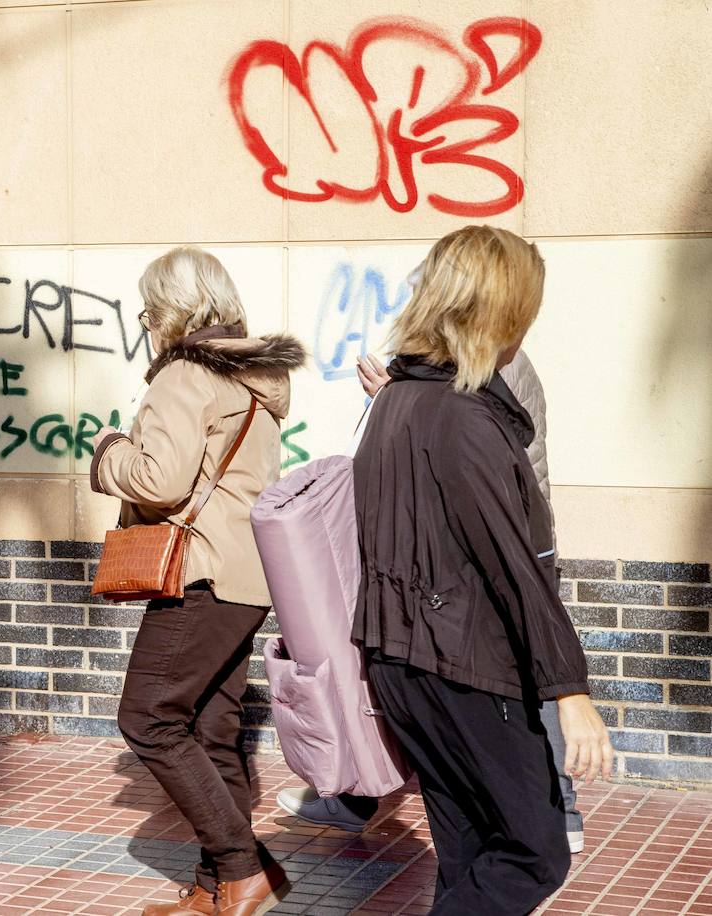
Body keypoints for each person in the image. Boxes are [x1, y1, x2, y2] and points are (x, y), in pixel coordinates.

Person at [349, 226, 612, 914]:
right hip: (463, 667)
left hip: (404, 659)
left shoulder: (396, 400)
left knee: (468, 850)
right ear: (498, 313)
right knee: (534, 852)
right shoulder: (464, 417)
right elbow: (514, 568)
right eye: (523, 310)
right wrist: (570, 692)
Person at [278, 348, 587, 854]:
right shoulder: (465, 367)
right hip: (488, 544)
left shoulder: (482, 363)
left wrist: (396, 398)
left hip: (489, 546)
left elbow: (470, 451)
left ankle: (558, 811)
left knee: (526, 670)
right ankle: (548, 813)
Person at [90, 246, 306, 916]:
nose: (148, 322)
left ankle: (242, 873)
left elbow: (160, 480)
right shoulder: (253, 377)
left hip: (200, 572)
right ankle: (214, 890)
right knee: (212, 730)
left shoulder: (185, 373)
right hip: (248, 576)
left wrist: (108, 453)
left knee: (148, 717)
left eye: (150, 309)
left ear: (173, 310)